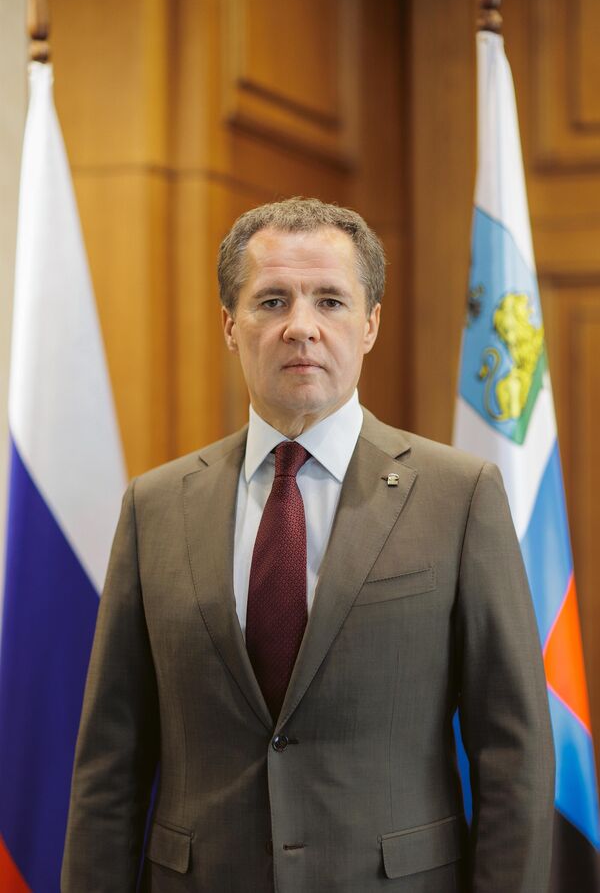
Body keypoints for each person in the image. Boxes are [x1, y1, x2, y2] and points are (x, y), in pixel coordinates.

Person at [62, 197, 554, 892]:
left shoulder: (458, 495)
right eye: (272, 302)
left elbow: (513, 752)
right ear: (229, 325)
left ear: (370, 324)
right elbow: (109, 764)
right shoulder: (155, 506)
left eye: (330, 300)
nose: (301, 326)